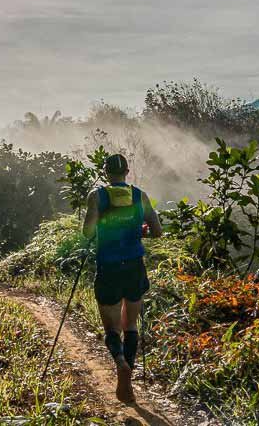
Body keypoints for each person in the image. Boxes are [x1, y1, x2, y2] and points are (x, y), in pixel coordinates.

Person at [82, 153, 163, 403]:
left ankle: (120, 362)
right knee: (131, 325)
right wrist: (138, 232)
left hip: (109, 267)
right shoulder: (140, 196)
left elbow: (87, 232)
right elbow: (157, 231)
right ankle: (129, 366)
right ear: (127, 172)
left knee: (111, 328)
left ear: (106, 173)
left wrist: (103, 227)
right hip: (135, 267)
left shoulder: (97, 196)